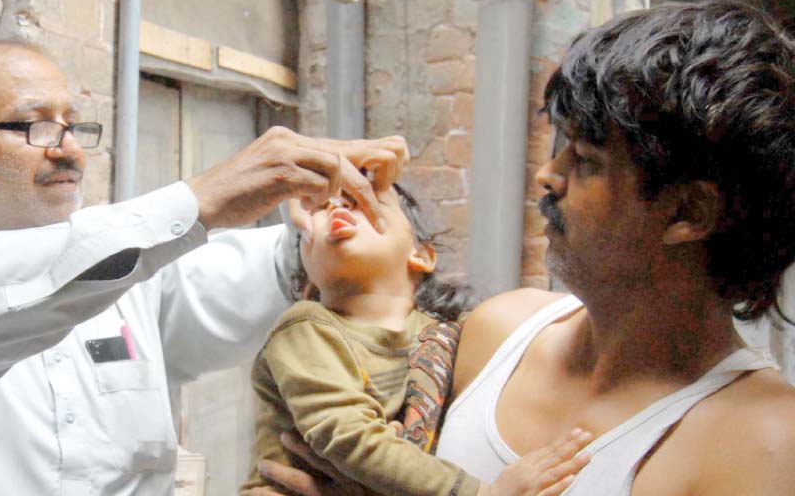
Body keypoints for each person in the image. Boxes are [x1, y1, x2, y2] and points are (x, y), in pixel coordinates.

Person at [260, 1, 795, 496]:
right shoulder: (496, 331)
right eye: (561, 148)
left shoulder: (764, 442)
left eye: (585, 160)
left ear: (687, 214)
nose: (547, 175)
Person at [0, 39, 409, 495]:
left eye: (72, 126)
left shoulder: (131, 272)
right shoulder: (117, 249)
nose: (68, 148)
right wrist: (205, 198)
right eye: (33, 126)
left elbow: (263, 271)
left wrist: (325, 229)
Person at [241, 185, 592, 496]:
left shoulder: (449, 334)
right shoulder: (305, 329)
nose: (337, 207)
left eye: (365, 199)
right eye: (318, 210)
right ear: (308, 283)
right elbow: (348, 438)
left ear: (421, 255)